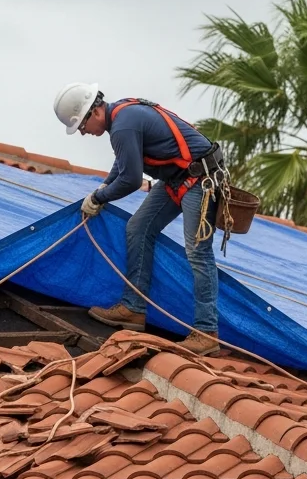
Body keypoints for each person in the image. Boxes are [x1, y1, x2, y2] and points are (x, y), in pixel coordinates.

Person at [53, 82, 224, 356]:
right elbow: (123, 163)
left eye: (82, 127)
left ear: (93, 113)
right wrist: (102, 188)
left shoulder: (123, 124)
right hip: (176, 179)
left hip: (200, 178)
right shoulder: (120, 118)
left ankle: (207, 333)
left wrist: (100, 198)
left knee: (197, 251)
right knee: (138, 227)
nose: (84, 133)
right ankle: (133, 308)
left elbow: (132, 180)